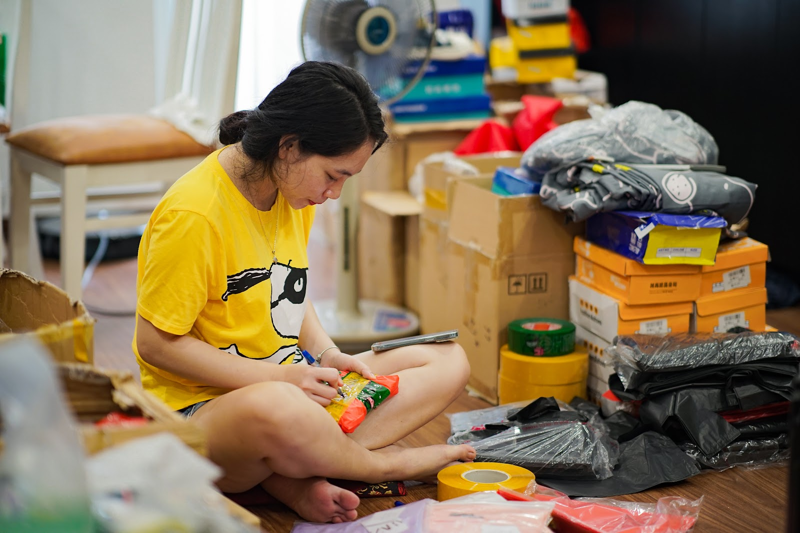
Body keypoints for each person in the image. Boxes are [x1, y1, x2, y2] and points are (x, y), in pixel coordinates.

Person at [133, 61, 475, 524]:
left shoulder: (292, 187)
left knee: (449, 359)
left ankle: (291, 472)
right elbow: (155, 345)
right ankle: (374, 465)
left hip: (297, 391)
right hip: (207, 413)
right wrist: (281, 380)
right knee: (275, 408)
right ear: (289, 147)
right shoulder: (193, 214)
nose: (334, 193)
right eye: (334, 175)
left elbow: (287, 285)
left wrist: (328, 353)